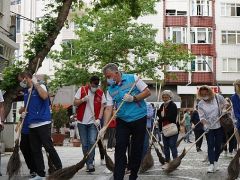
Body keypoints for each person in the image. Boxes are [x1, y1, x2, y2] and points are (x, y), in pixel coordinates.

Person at [99, 63, 151, 180]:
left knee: (136, 148)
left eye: (109, 76)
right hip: (123, 120)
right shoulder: (110, 90)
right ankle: (118, 176)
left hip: (139, 118)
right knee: (120, 148)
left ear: (116, 73)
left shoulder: (133, 78)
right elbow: (108, 108)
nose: (108, 79)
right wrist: (105, 126)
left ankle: (133, 174)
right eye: (106, 77)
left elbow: (147, 92)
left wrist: (134, 98)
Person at [18, 71, 62, 180]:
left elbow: (44, 96)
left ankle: (60, 169)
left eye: (21, 80)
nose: (21, 83)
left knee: (48, 147)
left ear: (26, 78)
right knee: (36, 150)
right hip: (31, 124)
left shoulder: (40, 85)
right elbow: (29, 106)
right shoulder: (27, 91)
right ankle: (40, 174)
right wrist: (23, 112)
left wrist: (36, 84)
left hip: (43, 122)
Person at [74, 75, 106, 172]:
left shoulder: (100, 93)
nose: (95, 88)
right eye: (93, 85)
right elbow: (75, 102)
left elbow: (102, 106)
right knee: (84, 144)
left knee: (92, 141)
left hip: (93, 122)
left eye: (96, 86)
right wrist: (83, 100)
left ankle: (90, 163)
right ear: (90, 83)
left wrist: (99, 118)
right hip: (81, 122)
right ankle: (87, 162)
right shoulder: (82, 90)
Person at [197, 85, 227, 173]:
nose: (205, 96)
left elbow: (226, 103)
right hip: (208, 127)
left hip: (219, 126)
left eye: (206, 94)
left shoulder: (218, 98)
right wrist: (205, 125)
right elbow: (201, 117)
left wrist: (224, 109)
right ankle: (211, 164)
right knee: (210, 145)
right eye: (202, 95)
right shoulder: (201, 104)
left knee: (218, 145)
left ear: (210, 92)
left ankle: (216, 161)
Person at [157, 90, 178, 169]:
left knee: (172, 145)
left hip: (172, 128)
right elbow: (159, 115)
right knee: (165, 146)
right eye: (163, 97)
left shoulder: (173, 105)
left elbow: (171, 117)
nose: (165, 99)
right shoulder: (162, 105)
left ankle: (175, 161)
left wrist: (160, 120)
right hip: (164, 129)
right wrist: (157, 111)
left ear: (170, 97)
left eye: (166, 97)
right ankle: (167, 161)